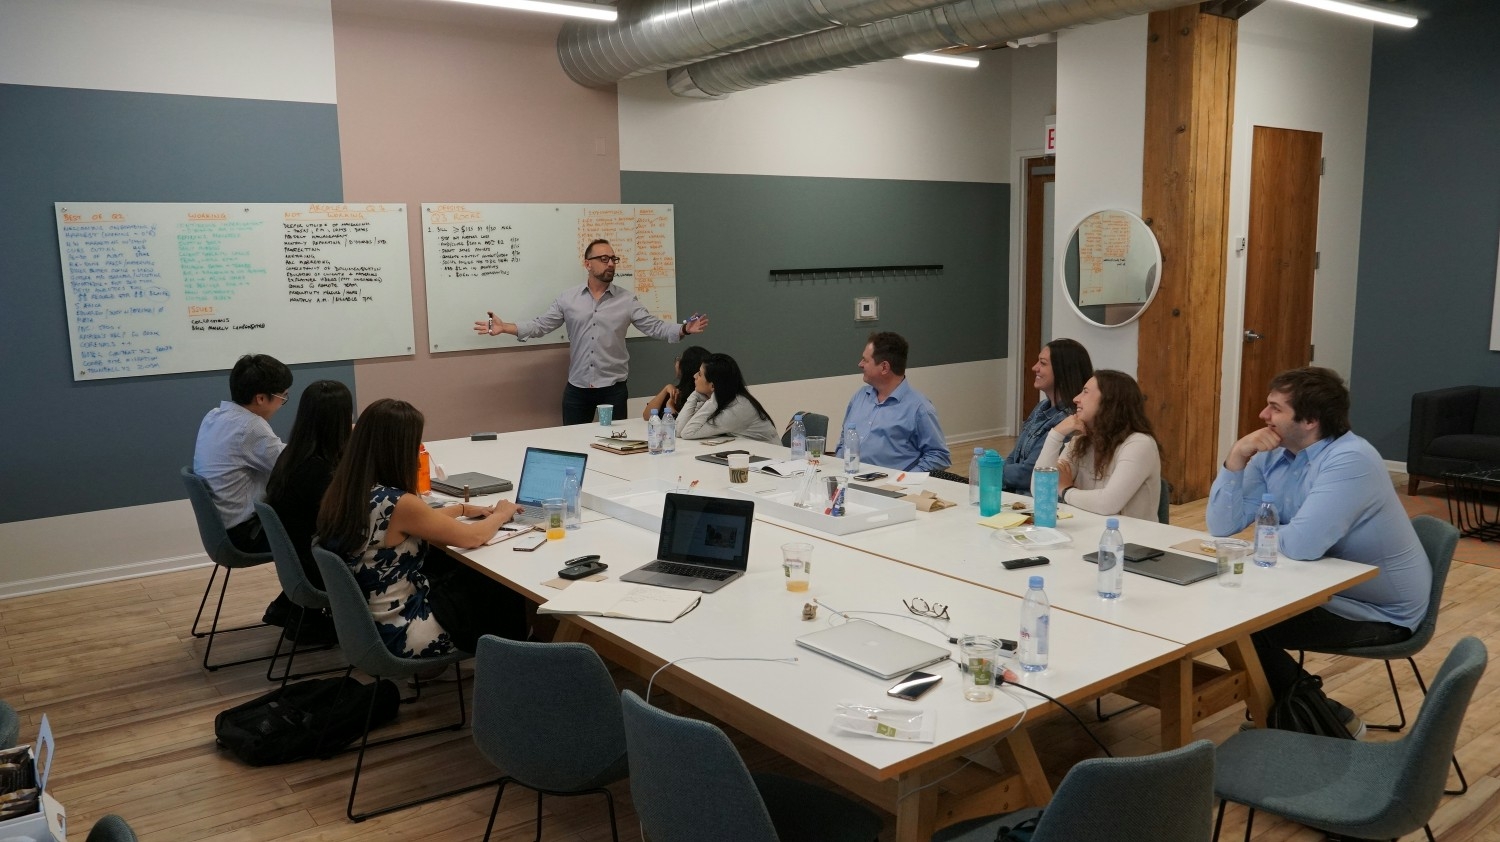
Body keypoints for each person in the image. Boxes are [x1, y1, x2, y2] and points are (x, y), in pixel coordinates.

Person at [1207, 367, 1429, 737]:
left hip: (1377, 611)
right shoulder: (1271, 454)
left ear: (1310, 420)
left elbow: (1302, 547)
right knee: (1229, 616)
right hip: (1320, 590)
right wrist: (1236, 458)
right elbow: (1222, 526)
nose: (1263, 416)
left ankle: (1322, 719)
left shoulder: (1351, 459)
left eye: (1275, 408)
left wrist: (1269, 532)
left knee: (1238, 626)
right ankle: (1314, 714)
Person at [317, 399, 528, 658]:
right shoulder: (400, 503)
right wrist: (502, 513)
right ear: (397, 449)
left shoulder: (348, 488)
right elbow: (473, 537)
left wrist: (461, 509)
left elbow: (412, 521)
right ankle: (518, 662)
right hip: (403, 629)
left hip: (367, 622)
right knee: (500, 590)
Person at [473, 238, 709, 425]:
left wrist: (683, 329)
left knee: (616, 447)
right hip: (578, 389)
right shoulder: (568, 299)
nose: (611, 264)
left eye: (613, 259)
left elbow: (654, 326)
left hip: (613, 389)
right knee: (573, 446)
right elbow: (540, 325)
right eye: (604, 259)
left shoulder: (626, 300)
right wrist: (505, 328)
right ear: (587, 264)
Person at [192, 353, 292, 553]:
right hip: (247, 534)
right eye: (283, 397)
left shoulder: (214, 416)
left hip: (221, 531)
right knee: (323, 528)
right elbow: (293, 464)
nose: (282, 403)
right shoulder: (250, 427)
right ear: (261, 398)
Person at [1035, 370, 1161, 520]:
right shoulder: (1080, 441)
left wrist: (1066, 490)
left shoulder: (1139, 444)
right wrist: (1055, 435)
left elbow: (1108, 504)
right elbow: (1039, 492)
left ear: (1109, 401)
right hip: (1088, 531)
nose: (1076, 399)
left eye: (1085, 392)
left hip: (1130, 539)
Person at [265, 380, 354, 590]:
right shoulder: (319, 472)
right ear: (341, 420)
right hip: (323, 570)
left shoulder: (292, 456)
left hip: (300, 564)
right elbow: (352, 522)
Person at [834, 332, 950, 471]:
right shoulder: (860, 396)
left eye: (865, 360)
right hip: (847, 478)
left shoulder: (919, 408)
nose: (860, 364)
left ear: (884, 367)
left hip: (889, 487)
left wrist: (905, 480)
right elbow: (844, 437)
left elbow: (939, 456)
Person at [1006, 338, 1093, 493]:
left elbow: (1028, 474)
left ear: (1062, 370)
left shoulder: (1071, 420)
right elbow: (1014, 458)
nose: (1034, 368)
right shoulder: (1041, 408)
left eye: (1043, 363)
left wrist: (990, 471)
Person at [677, 353, 779, 444]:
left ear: (713, 386)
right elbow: (678, 431)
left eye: (699, 374)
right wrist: (694, 396)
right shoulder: (723, 399)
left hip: (772, 460)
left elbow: (688, 433)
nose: (694, 376)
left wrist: (707, 399)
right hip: (750, 455)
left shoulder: (738, 407)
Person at [641, 345, 710, 420]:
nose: (677, 362)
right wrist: (665, 389)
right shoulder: (676, 391)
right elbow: (647, 415)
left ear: (687, 367)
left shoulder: (704, 396)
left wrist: (670, 406)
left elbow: (684, 423)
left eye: (680, 360)